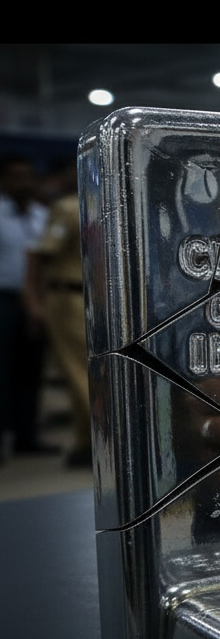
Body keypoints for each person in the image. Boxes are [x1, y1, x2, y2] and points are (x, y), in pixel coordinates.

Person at [23, 159, 91, 466]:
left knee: (79, 372)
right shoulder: (105, 206)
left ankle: (91, 443)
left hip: (68, 298)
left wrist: (34, 302)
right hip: (88, 297)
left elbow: (38, 256)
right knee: (86, 371)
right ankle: (84, 442)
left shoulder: (67, 207)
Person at [0, 154, 52, 461]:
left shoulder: (42, 216)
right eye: (15, 176)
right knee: (2, 372)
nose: (22, 182)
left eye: (27, 176)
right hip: (3, 300)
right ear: (4, 181)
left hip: (35, 303)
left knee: (31, 371)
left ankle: (26, 437)